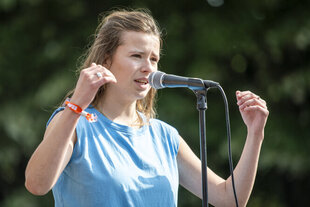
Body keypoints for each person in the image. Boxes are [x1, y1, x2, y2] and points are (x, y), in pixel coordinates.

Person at [25, 9, 269, 207]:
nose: (148, 67)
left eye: (153, 59)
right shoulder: (74, 122)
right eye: (136, 56)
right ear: (106, 60)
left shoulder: (165, 136)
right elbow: (36, 184)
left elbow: (228, 199)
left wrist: (255, 133)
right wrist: (76, 105)